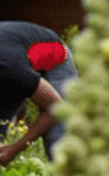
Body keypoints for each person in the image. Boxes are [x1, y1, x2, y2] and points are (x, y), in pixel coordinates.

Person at [0, 21, 78, 166]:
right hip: (18, 58)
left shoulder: (8, 66)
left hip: (53, 56)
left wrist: (13, 150)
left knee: (57, 139)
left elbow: (55, 108)